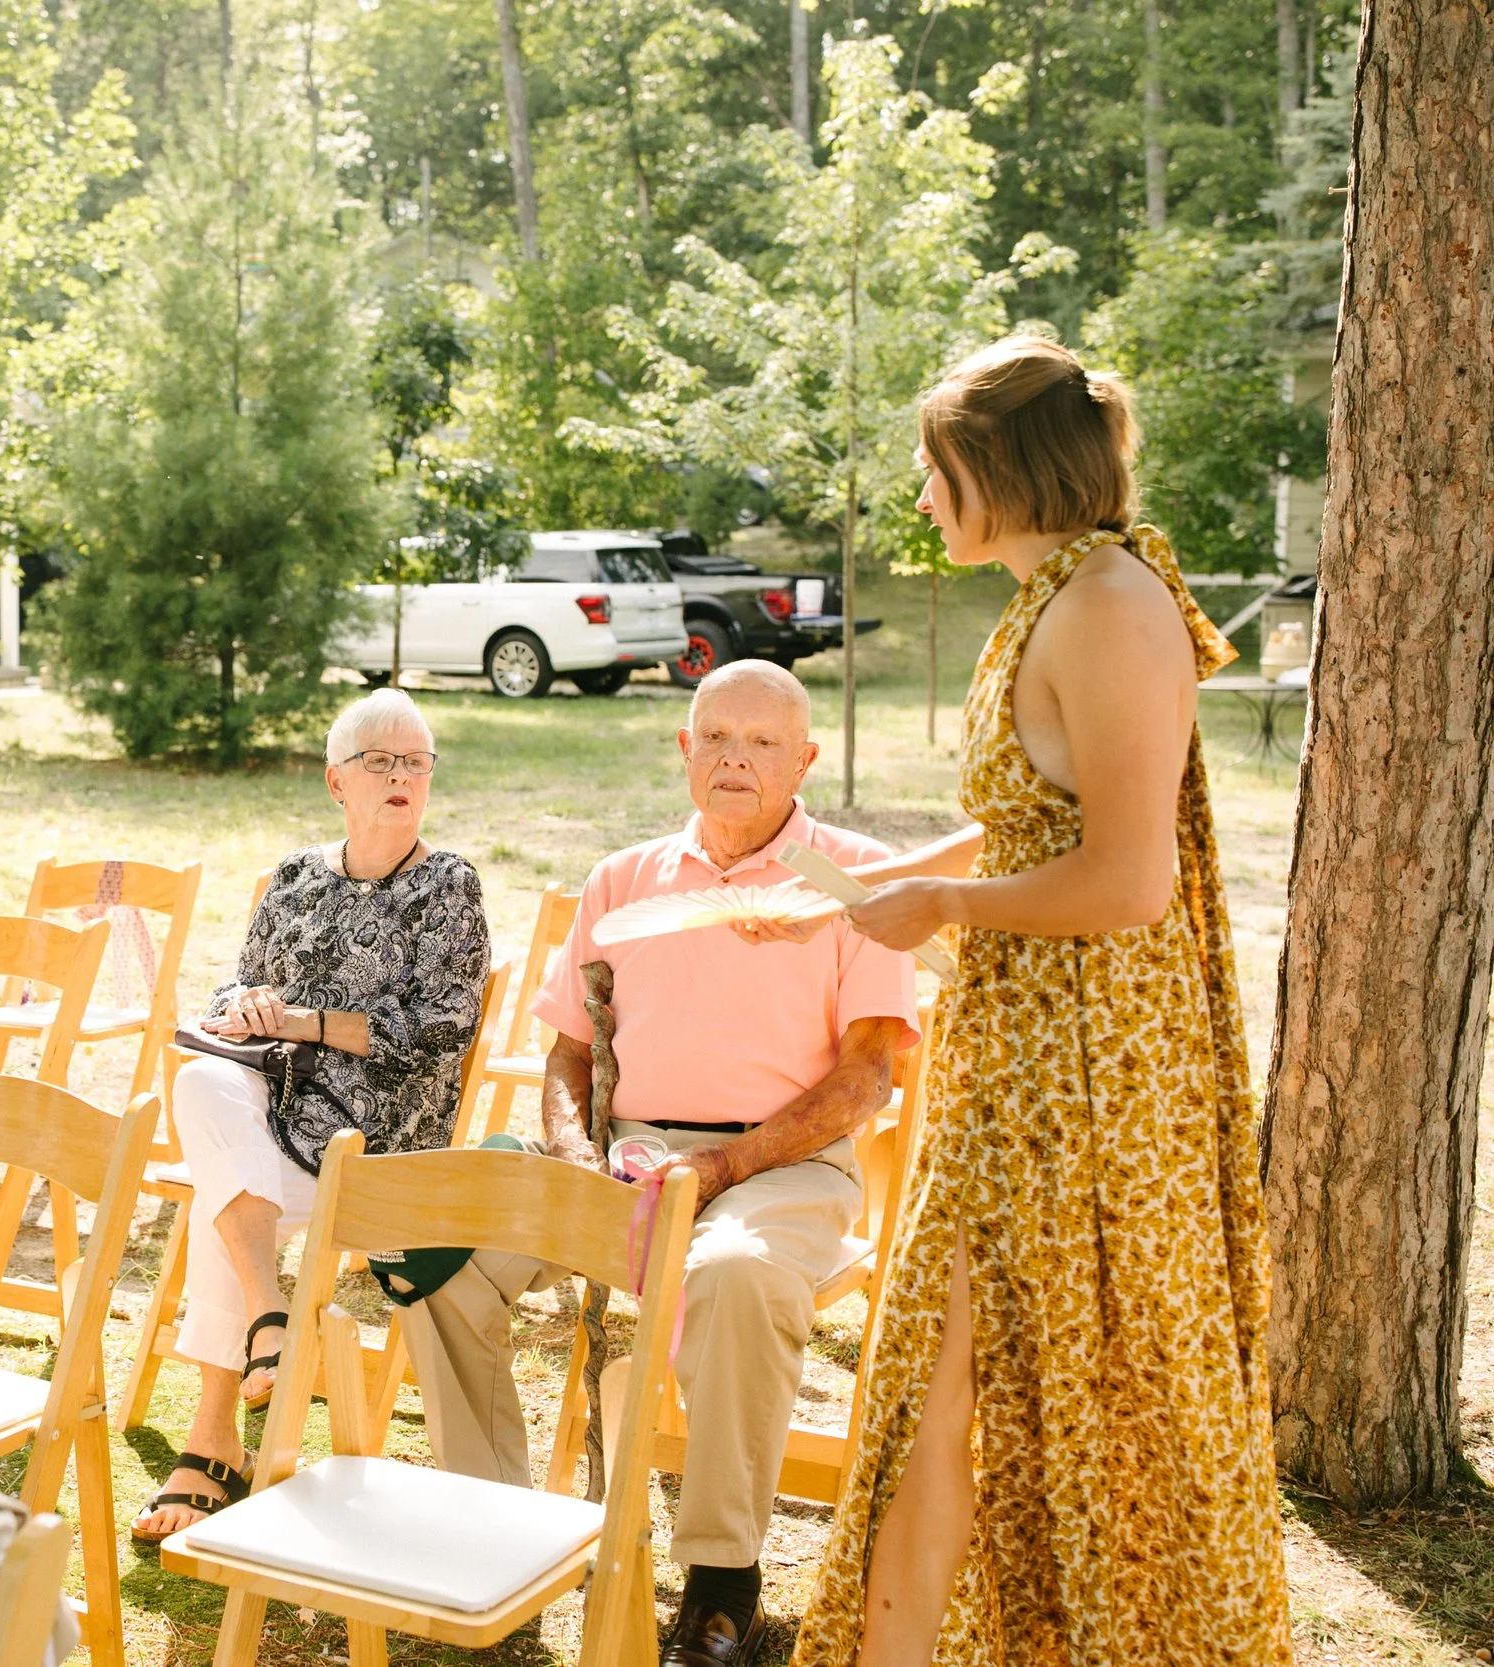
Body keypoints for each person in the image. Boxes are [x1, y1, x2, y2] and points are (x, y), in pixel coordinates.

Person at [766, 337, 1291, 1666]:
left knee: (1092, 1397)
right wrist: (893, 872)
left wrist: (939, 909)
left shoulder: (1111, 602)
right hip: (1023, 1061)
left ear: (1002, 465)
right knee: (938, 1382)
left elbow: (1125, 879)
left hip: (1099, 1076)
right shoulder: (1053, 590)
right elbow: (1024, 824)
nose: (926, 500)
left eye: (938, 472)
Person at [397, 659, 918, 1667]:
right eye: (715, 737)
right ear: (683, 750)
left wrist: (721, 1172)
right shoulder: (622, 878)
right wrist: (574, 1152)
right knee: (438, 1265)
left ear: (804, 759)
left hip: (781, 1164)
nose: (735, 758)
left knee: (735, 1274)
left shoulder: (849, 880)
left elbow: (863, 1082)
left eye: (763, 742)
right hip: (621, 1151)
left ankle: (721, 1588)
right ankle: (497, 1543)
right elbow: (569, 1050)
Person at [128, 687, 490, 1544]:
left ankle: (213, 1440)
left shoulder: (449, 885)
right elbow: (234, 987)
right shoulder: (294, 875)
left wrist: (305, 1022)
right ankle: (269, 1305)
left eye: (416, 761)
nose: (402, 775)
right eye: (381, 761)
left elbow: (441, 1027)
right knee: (201, 1084)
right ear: (338, 781)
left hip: (377, 1141)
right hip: (273, 1110)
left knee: (227, 1183)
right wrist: (247, 1005)